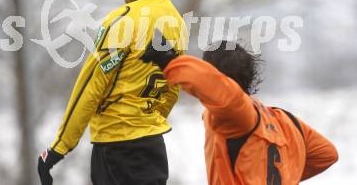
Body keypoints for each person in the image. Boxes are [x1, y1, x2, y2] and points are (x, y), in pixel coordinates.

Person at [38, 0, 187, 185]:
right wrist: (147, 121)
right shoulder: (176, 22)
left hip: (117, 152)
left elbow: (90, 88)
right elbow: (172, 88)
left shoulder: (122, 21)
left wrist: (59, 148)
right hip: (152, 149)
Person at [141, 37, 338, 184]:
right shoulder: (285, 120)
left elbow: (214, 88)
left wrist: (169, 61)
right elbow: (326, 154)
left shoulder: (235, 113)